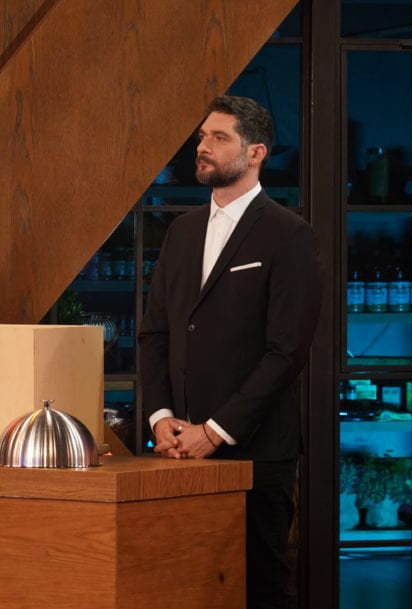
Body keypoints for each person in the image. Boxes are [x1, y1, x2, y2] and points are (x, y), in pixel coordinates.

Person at [137, 95, 322, 609]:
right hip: (177, 451)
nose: (204, 146)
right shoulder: (181, 231)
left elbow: (286, 352)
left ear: (256, 152)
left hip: (256, 454)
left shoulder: (290, 235)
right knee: (184, 589)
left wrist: (215, 431)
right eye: (203, 136)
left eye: (220, 138)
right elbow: (155, 334)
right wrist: (160, 418)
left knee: (260, 590)